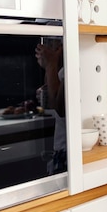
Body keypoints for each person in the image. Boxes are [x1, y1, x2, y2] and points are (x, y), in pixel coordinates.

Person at [35, 38, 66, 174]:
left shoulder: (69, 68)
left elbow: (60, 108)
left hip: (66, 153)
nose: (46, 48)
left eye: (49, 43)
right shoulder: (62, 68)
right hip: (61, 151)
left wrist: (50, 64)